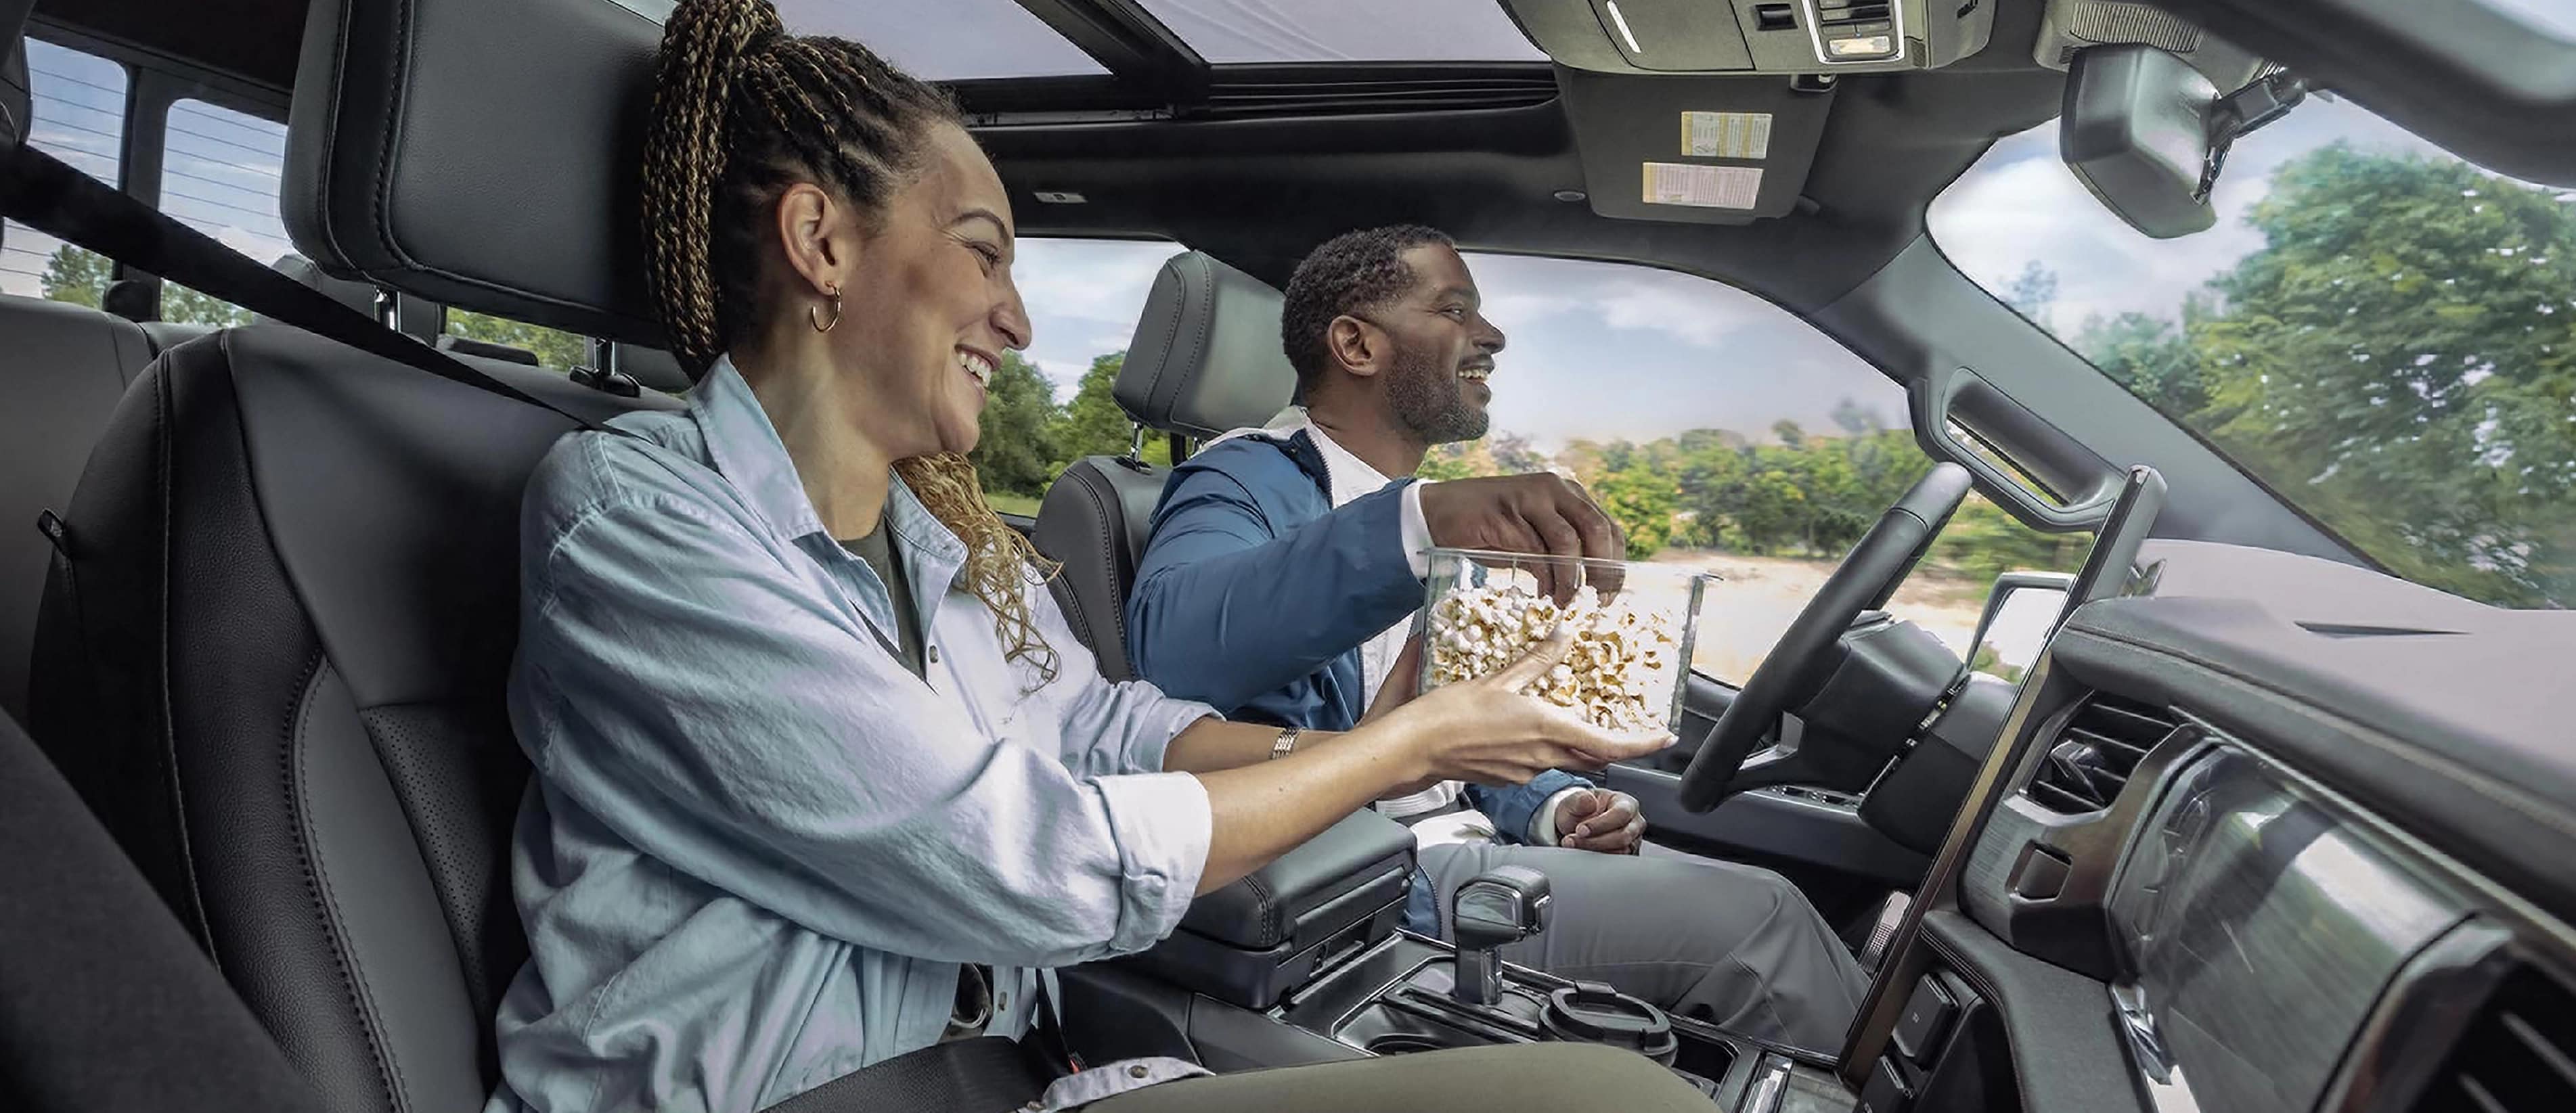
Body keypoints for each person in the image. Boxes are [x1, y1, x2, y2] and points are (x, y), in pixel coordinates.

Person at [485, 3, 1714, 1112]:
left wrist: (1386, 745)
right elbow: (1016, 857)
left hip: (998, 1074)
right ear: (822, 241)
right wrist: (1404, 749)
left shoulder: (953, 542)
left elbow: (1109, 726)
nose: (1017, 320)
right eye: (984, 252)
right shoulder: (640, 516)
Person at [1128, 226, 1871, 1054]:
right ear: (1355, 344)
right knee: (1762, 921)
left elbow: (1454, 724)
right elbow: (1175, 645)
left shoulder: (1428, 513)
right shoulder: (1245, 476)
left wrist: (1553, 808)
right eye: (1454, 310)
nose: (1492, 336)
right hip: (1368, 877)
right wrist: (1414, 524)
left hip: (1460, 847)